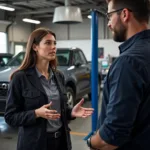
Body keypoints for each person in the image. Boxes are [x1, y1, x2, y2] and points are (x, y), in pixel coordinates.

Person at [4, 27, 94, 150]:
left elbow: (58, 111)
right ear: (35, 47)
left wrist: (70, 112)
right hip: (35, 144)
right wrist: (36, 113)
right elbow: (10, 117)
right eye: (48, 43)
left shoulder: (59, 76)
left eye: (54, 43)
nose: (53, 47)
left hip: (60, 142)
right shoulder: (20, 77)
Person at [86, 0, 150, 150]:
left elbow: (112, 136)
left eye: (109, 16)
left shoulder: (128, 62)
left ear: (124, 14)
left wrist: (91, 142)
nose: (108, 24)